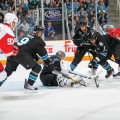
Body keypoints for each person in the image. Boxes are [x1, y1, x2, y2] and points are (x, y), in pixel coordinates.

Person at [1, 25, 54, 90]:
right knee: (37, 67)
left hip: (13, 53)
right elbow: (43, 54)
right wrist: (48, 62)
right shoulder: (38, 40)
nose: (41, 33)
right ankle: (29, 84)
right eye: (40, 32)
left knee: (7, 72)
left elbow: (26, 47)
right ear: (39, 32)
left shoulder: (28, 35)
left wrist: (34, 56)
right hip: (21, 55)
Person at [0, 13, 18, 86]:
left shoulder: (1, 26)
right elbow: (8, 53)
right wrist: (15, 51)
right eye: (14, 23)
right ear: (11, 22)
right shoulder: (8, 31)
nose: (15, 25)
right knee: (2, 74)